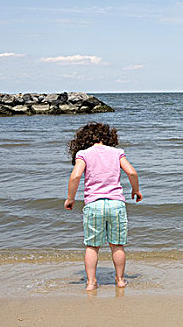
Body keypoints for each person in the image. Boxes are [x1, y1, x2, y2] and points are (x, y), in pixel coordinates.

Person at [64, 122, 142, 291]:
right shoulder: (117, 153)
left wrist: (70, 198)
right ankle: (120, 280)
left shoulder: (83, 154)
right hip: (116, 204)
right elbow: (131, 172)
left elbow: (76, 176)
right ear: (108, 137)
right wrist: (136, 190)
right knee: (117, 245)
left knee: (92, 246)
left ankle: (91, 282)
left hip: (94, 204)